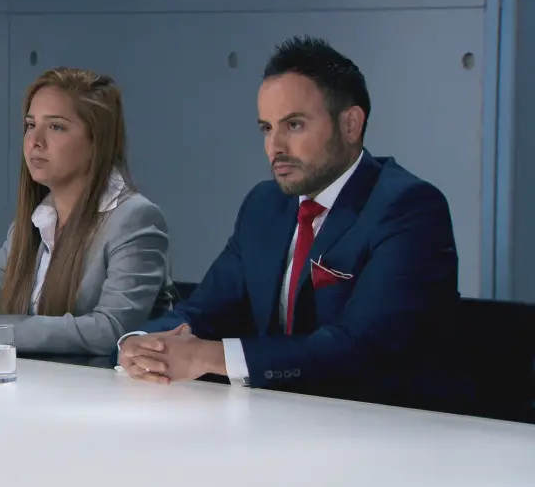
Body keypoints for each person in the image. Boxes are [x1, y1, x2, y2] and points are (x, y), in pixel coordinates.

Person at [118, 36, 466, 408]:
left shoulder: (408, 207)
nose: (275, 147)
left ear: (350, 124)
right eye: (266, 128)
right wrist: (140, 343)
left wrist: (209, 357)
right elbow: (203, 311)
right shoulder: (264, 205)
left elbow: (361, 348)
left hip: (388, 432)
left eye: (294, 125)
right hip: (273, 421)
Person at [0, 67, 172, 355]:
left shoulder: (135, 219)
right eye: (30, 124)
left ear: (97, 140)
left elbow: (111, 330)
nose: (35, 141)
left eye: (56, 126)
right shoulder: (37, 220)